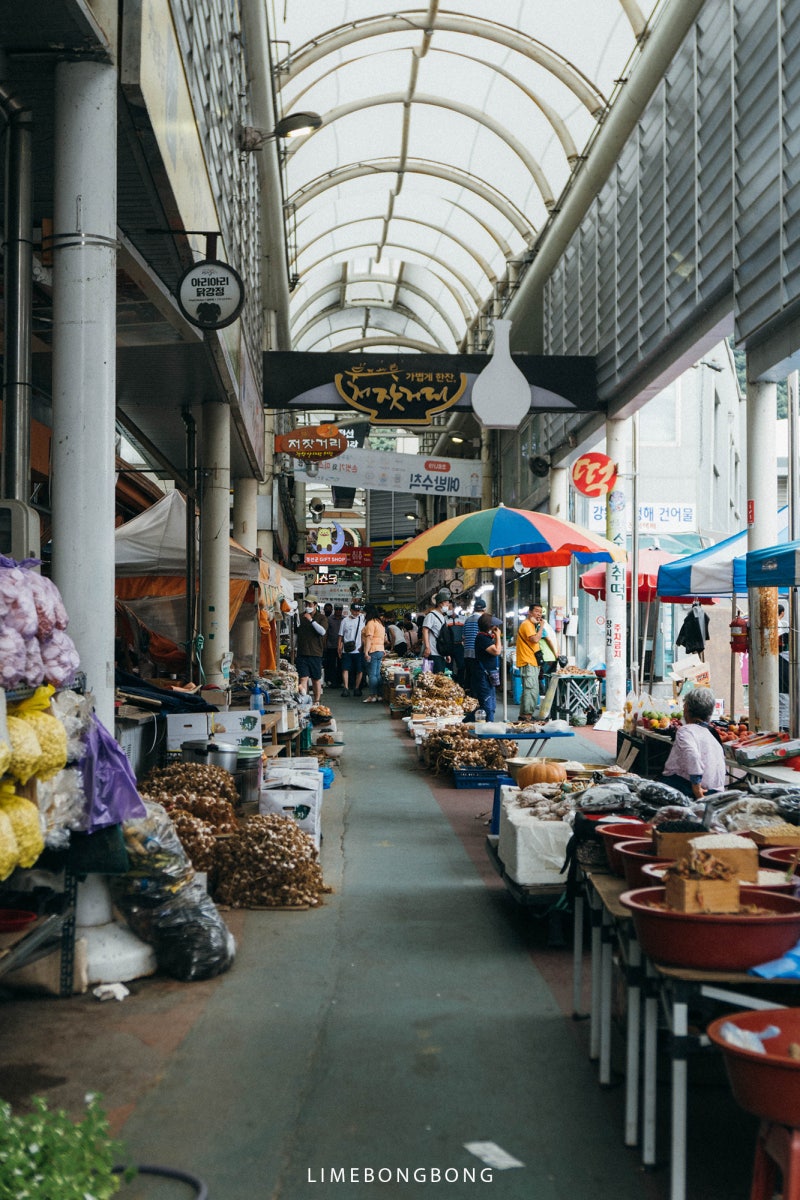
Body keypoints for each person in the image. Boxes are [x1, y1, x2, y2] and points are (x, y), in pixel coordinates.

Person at [661, 687, 726, 799]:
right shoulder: (711, 734)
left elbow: (692, 756)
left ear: (686, 709)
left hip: (689, 788)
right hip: (715, 791)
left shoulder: (685, 730)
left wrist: (697, 789)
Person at [515, 603, 559, 720]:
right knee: (531, 689)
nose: (539, 614)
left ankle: (525, 715)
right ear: (529, 612)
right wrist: (542, 626)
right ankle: (526, 715)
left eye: (540, 612)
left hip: (532, 661)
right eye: (536, 611)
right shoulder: (527, 624)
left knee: (531, 689)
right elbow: (535, 639)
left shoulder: (533, 625)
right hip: (527, 661)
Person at [295, 594, 327, 702]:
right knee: (303, 678)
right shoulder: (300, 616)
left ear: (315, 605)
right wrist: (294, 647)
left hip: (315, 653)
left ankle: (317, 701)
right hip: (302, 652)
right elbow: (296, 633)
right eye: (306, 604)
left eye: (310, 604)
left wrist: (311, 620)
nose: (307, 606)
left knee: (316, 679)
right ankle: (304, 701)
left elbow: (322, 631)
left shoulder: (321, 617)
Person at [473, 613, 503, 721]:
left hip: (488, 675)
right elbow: (497, 651)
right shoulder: (482, 638)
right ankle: (488, 726)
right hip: (484, 676)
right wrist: (498, 636)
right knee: (487, 705)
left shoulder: (487, 638)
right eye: (494, 626)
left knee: (491, 703)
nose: (496, 628)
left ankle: (489, 723)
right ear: (489, 627)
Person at [422, 590, 454, 674]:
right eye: (446, 602)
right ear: (440, 603)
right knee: (435, 676)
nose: (448, 604)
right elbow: (425, 630)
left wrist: (446, 654)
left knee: (440, 676)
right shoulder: (431, 615)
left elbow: (443, 636)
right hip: (433, 652)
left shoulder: (442, 617)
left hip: (441, 653)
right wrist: (427, 647)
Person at [338, 601, 365, 697]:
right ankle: (346, 688)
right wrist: (339, 648)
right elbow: (340, 635)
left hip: (359, 649)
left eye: (358, 611)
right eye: (355, 611)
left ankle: (356, 688)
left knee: (360, 670)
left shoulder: (362, 619)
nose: (356, 613)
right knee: (345, 669)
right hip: (347, 649)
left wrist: (364, 646)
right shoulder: (345, 621)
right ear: (351, 610)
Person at [462, 597, 486, 698]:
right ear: (484, 610)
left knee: (469, 676)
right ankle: (476, 698)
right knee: (477, 677)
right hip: (477, 653)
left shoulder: (467, 620)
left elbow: (463, 637)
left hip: (467, 653)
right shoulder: (482, 620)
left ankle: (470, 698)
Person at [361, 605, 386, 703]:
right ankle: (379, 695)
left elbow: (369, 638)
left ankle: (372, 695)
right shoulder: (380, 623)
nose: (363, 614)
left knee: (372, 675)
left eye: (364, 612)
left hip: (373, 650)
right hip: (380, 650)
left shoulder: (371, 623)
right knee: (377, 674)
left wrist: (366, 652)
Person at [323, 603, 343, 689]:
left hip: (341, 646)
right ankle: (332, 681)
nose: (338, 611)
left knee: (341, 664)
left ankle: (340, 681)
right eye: (337, 609)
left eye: (340, 609)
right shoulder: (329, 619)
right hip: (331, 645)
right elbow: (326, 633)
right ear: (334, 610)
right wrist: (325, 644)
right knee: (331, 664)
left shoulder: (344, 619)